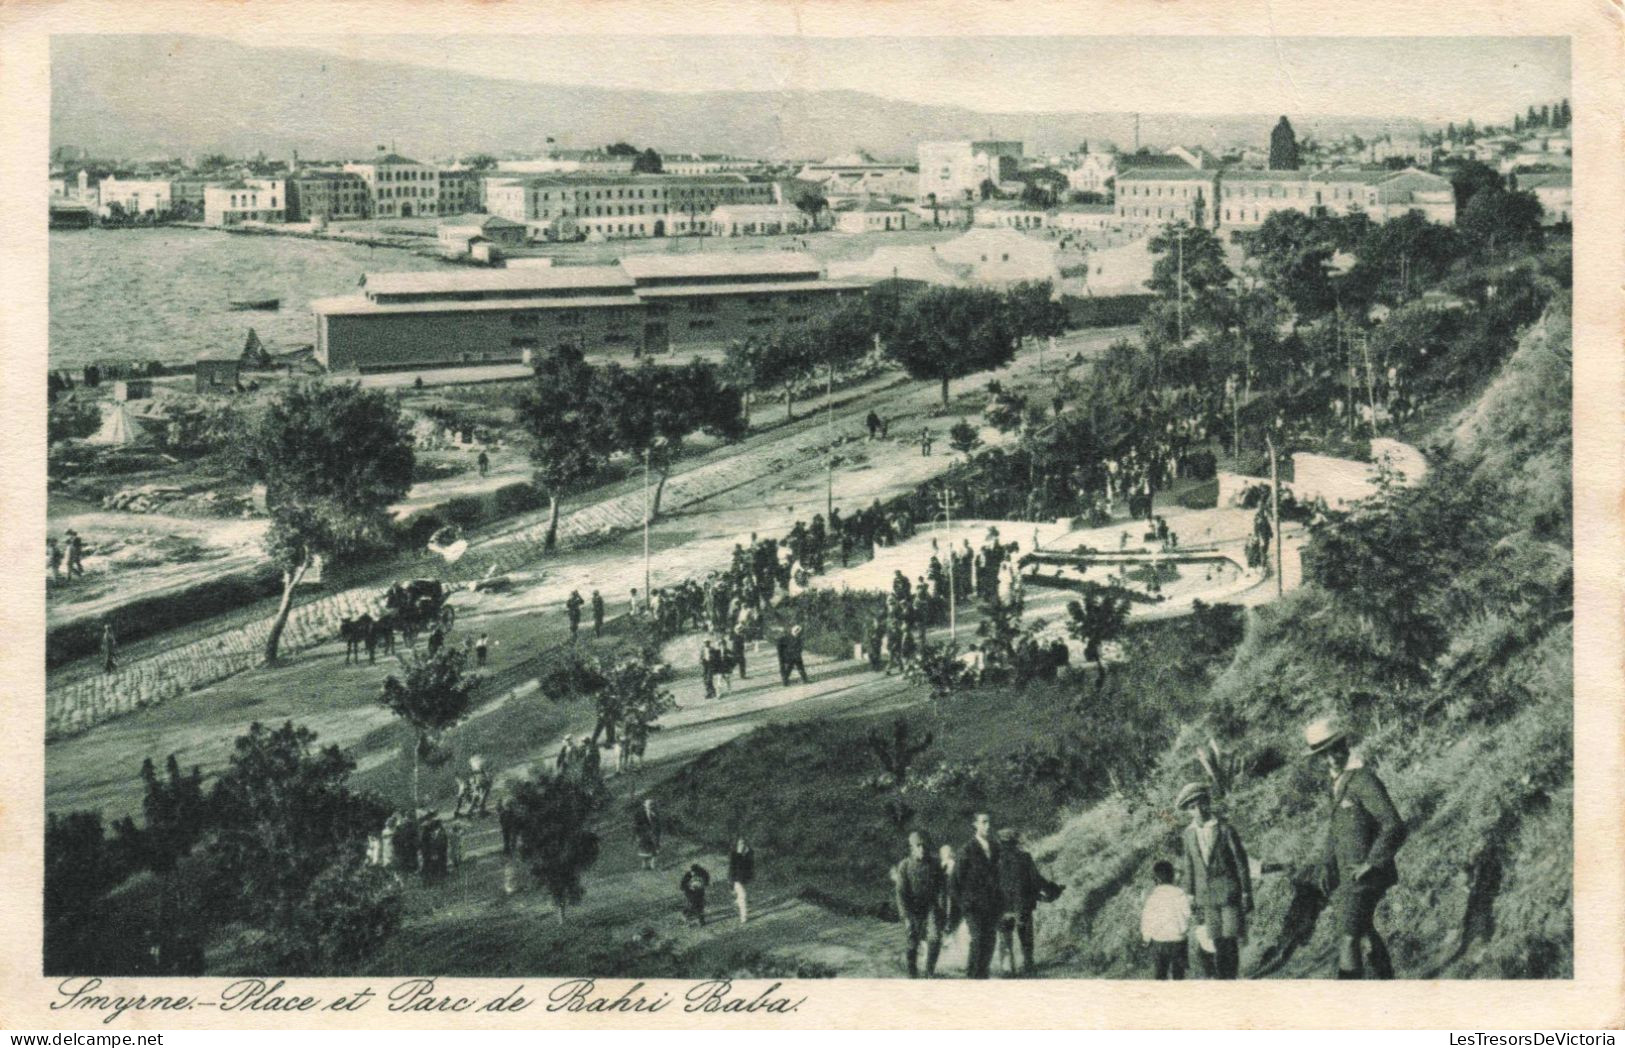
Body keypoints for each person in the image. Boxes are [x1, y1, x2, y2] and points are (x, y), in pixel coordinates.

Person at [1306, 716, 1407, 980]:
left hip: (1363, 877)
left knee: (1347, 939)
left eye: (1336, 751)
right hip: (1345, 876)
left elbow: (1394, 824)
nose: (1332, 759)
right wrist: (1327, 866)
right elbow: (1336, 833)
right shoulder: (1337, 784)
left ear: (1346, 746)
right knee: (1363, 932)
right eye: (1324, 755)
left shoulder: (1363, 779)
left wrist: (1372, 863)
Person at [1176, 782, 1253, 980]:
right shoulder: (1188, 834)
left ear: (1208, 803)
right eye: (1192, 808)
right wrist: (1189, 895)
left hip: (1229, 892)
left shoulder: (1225, 829)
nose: (1198, 810)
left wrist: (1246, 892)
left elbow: (1241, 862)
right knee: (1216, 941)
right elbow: (1189, 867)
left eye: (1201, 804)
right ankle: (1222, 980)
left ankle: (1230, 979)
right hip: (1206, 897)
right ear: (1188, 811)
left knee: (1230, 939)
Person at [995, 828, 1063, 976]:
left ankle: (1007, 969)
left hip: (1002, 906)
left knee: (1005, 939)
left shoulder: (993, 859)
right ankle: (1028, 966)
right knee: (1026, 939)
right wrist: (1054, 890)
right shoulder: (1024, 857)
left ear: (1000, 842)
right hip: (1022, 905)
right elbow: (1036, 880)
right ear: (1015, 842)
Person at [954, 812, 1003, 979]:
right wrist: (965, 904)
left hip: (992, 905)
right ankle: (972, 977)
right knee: (978, 940)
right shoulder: (966, 850)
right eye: (983, 822)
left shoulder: (996, 848)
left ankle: (982, 977)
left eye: (989, 822)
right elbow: (955, 882)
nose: (988, 826)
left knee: (990, 941)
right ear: (975, 825)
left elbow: (1000, 876)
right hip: (973, 906)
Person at [894, 830, 945, 978]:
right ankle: (912, 975)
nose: (922, 849)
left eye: (924, 845)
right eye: (918, 845)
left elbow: (942, 889)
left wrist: (942, 911)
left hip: (931, 907)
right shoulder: (904, 866)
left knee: (935, 939)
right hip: (913, 909)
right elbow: (901, 894)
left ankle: (929, 972)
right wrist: (906, 917)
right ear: (911, 847)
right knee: (912, 943)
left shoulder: (935, 864)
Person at [1141, 860, 1192, 980]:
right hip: (1178, 941)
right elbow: (1187, 914)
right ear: (1173, 876)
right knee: (1179, 976)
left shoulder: (1153, 896)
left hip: (1159, 941)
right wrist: (1183, 930)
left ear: (1156, 879)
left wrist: (1146, 938)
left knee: (1160, 975)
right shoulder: (1180, 893)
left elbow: (1147, 919)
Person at [728, 839, 755, 925]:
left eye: (743, 843)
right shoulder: (734, 855)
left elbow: (750, 866)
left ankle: (737, 902)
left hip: (744, 880)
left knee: (742, 897)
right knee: (743, 896)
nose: (742, 845)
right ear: (737, 845)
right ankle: (744, 917)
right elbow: (732, 870)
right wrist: (731, 884)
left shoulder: (748, 854)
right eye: (740, 844)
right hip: (736, 880)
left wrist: (748, 853)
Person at [633, 798, 662, 870]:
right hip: (643, 835)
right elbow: (636, 825)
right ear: (644, 805)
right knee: (644, 850)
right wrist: (639, 834)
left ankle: (653, 865)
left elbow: (658, 824)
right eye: (649, 804)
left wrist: (656, 832)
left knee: (654, 849)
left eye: (652, 805)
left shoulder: (655, 813)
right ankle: (645, 865)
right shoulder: (640, 814)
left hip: (653, 834)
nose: (651, 806)